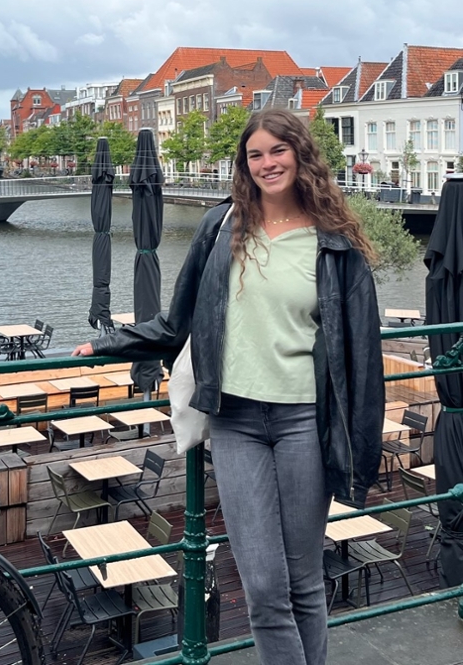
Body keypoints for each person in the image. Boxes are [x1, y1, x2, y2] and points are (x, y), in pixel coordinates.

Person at [73, 108, 384, 665]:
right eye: (255, 154)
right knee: (264, 587)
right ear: (244, 164)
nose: (267, 163)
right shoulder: (221, 228)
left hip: (303, 422)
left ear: (300, 155)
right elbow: (178, 320)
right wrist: (110, 342)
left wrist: (359, 448)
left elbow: (362, 356)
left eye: (277, 151)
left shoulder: (335, 245)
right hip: (236, 419)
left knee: (305, 583)